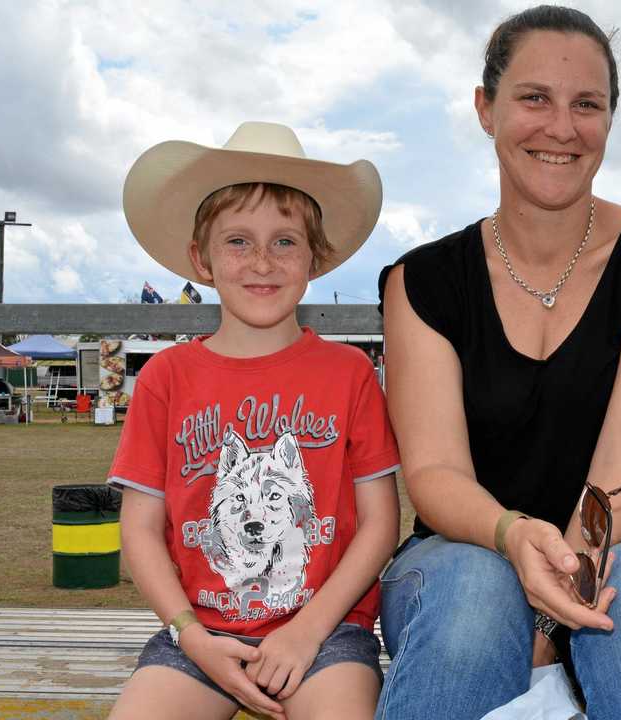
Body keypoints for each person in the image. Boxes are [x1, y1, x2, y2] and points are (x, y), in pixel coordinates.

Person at [375, 6, 621, 718]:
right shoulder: (424, 281)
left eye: (586, 105)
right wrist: (510, 538)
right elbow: (436, 473)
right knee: (474, 594)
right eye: (534, 98)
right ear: (485, 108)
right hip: (459, 548)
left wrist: (553, 599)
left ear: (609, 121)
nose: (561, 127)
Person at [106, 122, 400, 720]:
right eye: (238, 241)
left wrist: (307, 631)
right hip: (199, 637)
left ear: (314, 257)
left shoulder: (349, 372)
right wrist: (191, 637)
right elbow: (139, 530)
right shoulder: (166, 377)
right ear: (202, 259)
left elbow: (379, 523)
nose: (262, 262)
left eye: (285, 241)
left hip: (327, 631)